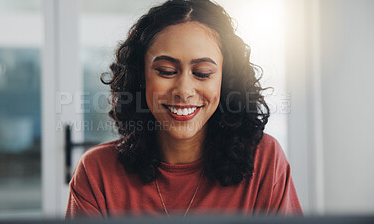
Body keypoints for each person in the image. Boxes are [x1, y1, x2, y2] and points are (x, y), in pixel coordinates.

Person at [66, 0, 302, 219]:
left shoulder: (264, 160)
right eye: (167, 71)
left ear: (225, 80)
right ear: (141, 77)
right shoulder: (97, 172)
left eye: (202, 73)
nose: (184, 90)